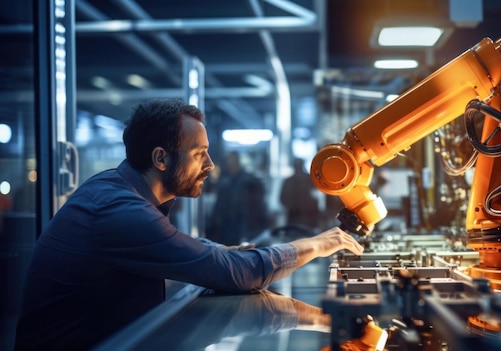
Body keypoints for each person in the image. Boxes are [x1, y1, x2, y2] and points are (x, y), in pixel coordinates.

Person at [14, 99, 364, 351]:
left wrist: (214, 250)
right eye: (199, 154)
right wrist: (319, 245)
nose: (211, 164)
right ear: (161, 158)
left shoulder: (116, 191)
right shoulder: (119, 211)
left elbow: (176, 244)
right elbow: (234, 275)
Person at [206, 151, 269, 245]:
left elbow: (257, 207)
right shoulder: (225, 182)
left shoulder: (249, 181)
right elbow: (219, 207)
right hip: (227, 229)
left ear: (237, 162)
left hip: (244, 228)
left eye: (232, 161)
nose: (230, 164)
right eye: (228, 162)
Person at [279, 158, 320, 229]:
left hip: (308, 217)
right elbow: (282, 198)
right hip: (294, 217)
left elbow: (316, 196)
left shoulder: (309, 179)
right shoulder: (290, 181)